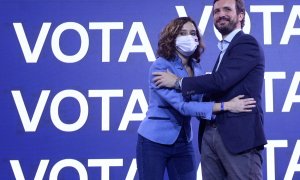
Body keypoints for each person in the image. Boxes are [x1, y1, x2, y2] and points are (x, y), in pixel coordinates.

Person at [137, 16, 257, 180]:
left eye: (193, 33)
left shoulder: (197, 68)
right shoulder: (161, 66)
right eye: (183, 33)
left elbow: (200, 103)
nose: (189, 37)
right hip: (154, 141)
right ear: (172, 38)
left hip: (183, 141)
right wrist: (225, 106)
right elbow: (183, 106)